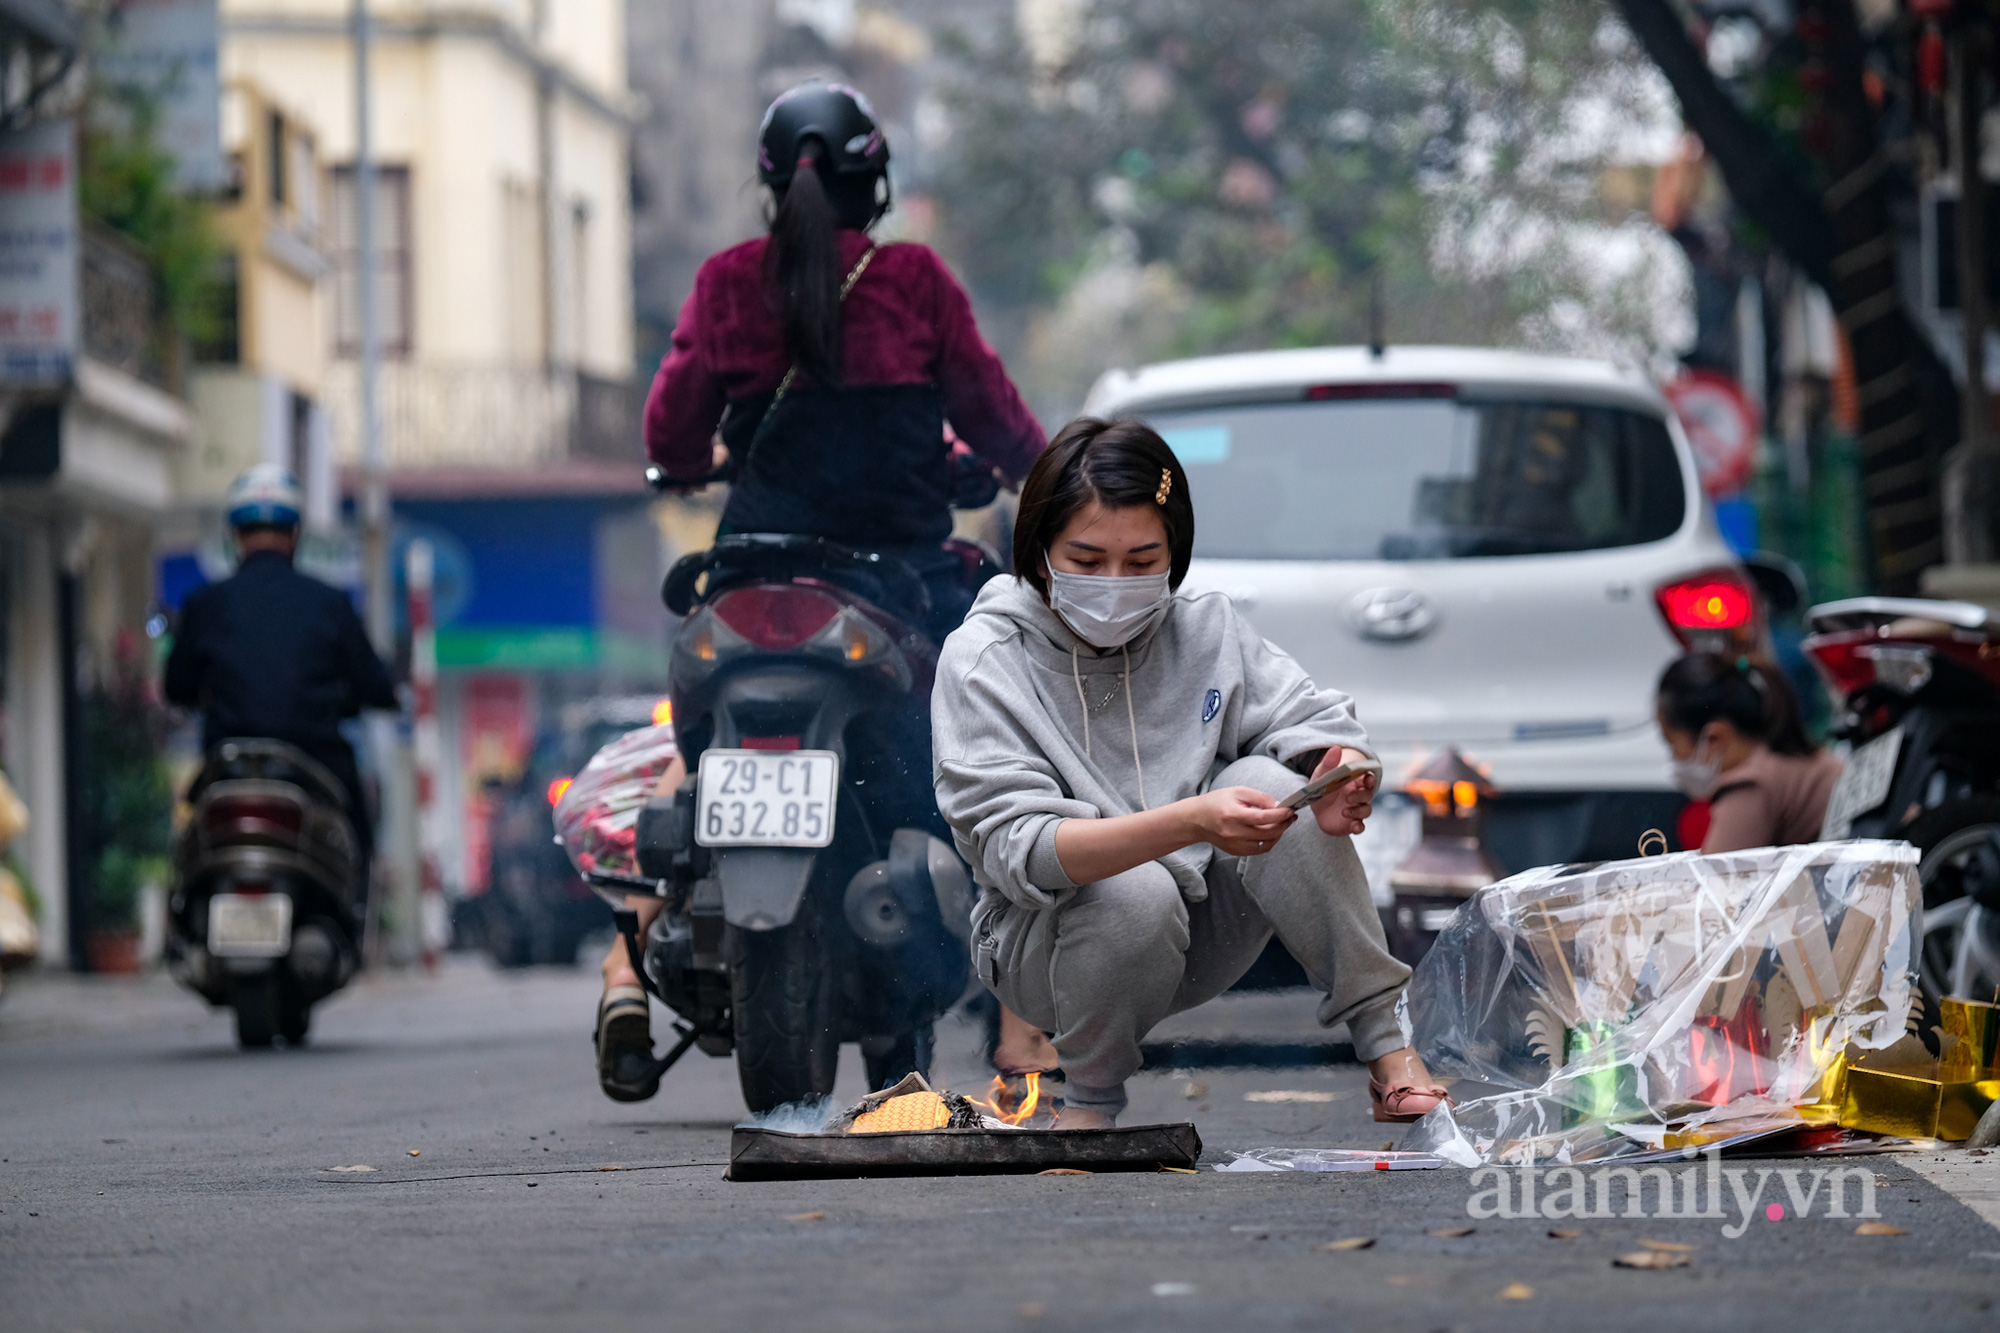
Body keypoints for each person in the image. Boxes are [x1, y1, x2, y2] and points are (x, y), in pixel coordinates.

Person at [596, 80, 1047, 1101]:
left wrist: (703, 456)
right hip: (893, 581)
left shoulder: (721, 285)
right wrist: (1039, 469)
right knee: (966, 751)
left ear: (767, 183)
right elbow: (994, 413)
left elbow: (667, 433)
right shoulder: (916, 281)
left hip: (750, 578)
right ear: (874, 180)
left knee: (688, 757)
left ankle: (655, 936)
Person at [930, 418, 1450, 1127]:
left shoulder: (1206, 628)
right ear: (1039, 550)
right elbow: (1022, 850)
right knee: (1135, 889)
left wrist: (1339, 774)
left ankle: (1390, 1050)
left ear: (1175, 554)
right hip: (1041, 944)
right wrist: (1190, 822)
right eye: (1086, 558)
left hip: (1192, 925)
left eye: (1143, 561)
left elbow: (1313, 721)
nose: (1115, 583)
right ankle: (1088, 1104)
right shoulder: (985, 659)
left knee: (1274, 786)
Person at [164, 465, 397, 883]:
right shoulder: (330, 603)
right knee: (358, 842)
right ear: (295, 536)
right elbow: (376, 684)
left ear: (235, 536)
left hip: (226, 769)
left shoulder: (204, 604)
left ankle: (179, 926)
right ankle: (358, 917)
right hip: (318, 771)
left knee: (188, 844)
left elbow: (176, 687)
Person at [1656, 651, 1842, 853]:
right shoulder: (1786, 757)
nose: (1673, 757)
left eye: (1673, 744)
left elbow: (1717, 880)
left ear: (1714, 737)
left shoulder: (1749, 786)